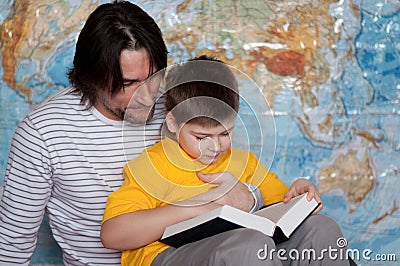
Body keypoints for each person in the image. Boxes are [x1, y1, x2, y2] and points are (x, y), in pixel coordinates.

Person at [0, 2, 261, 265]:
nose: (147, 95)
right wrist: (204, 206)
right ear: (92, 77)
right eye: (128, 83)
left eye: (153, 77)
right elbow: (12, 245)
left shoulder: (177, 107)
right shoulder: (43, 133)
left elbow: (230, 170)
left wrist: (249, 195)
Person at [100, 56, 349, 266]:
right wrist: (201, 207)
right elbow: (113, 234)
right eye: (201, 136)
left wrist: (300, 195)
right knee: (250, 246)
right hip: (165, 256)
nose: (216, 146)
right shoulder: (154, 165)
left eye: (225, 133)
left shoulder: (243, 162)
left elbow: (280, 210)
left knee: (321, 229)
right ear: (173, 122)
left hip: (242, 250)